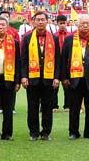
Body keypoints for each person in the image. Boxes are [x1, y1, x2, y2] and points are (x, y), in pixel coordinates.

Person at [21, 11, 60, 141]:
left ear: (47, 21)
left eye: (43, 19)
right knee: (32, 106)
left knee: (47, 107)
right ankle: (33, 132)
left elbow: (57, 59)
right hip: (32, 78)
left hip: (49, 79)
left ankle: (46, 132)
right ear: (33, 21)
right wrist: (24, 76)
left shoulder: (54, 38)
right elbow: (23, 59)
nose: (40, 22)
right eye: (38, 19)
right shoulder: (27, 38)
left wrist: (56, 77)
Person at [61, 14, 89, 140]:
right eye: (83, 23)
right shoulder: (69, 40)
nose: (85, 25)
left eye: (87, 23)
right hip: (74, 79)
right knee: (74, 108)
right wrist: (64, 78)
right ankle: (73, 132)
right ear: (77, 24)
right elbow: (63, 60)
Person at [53, 15, 70, 112]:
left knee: (67, 85)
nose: (62, 25)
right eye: (60, 23)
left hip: (66, 65)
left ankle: (67, 105)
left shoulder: (71, 36)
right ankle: (54, 106)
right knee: (54, 86)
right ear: (57, 23)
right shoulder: (53, 36)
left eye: (64, 23)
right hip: (55, 64)